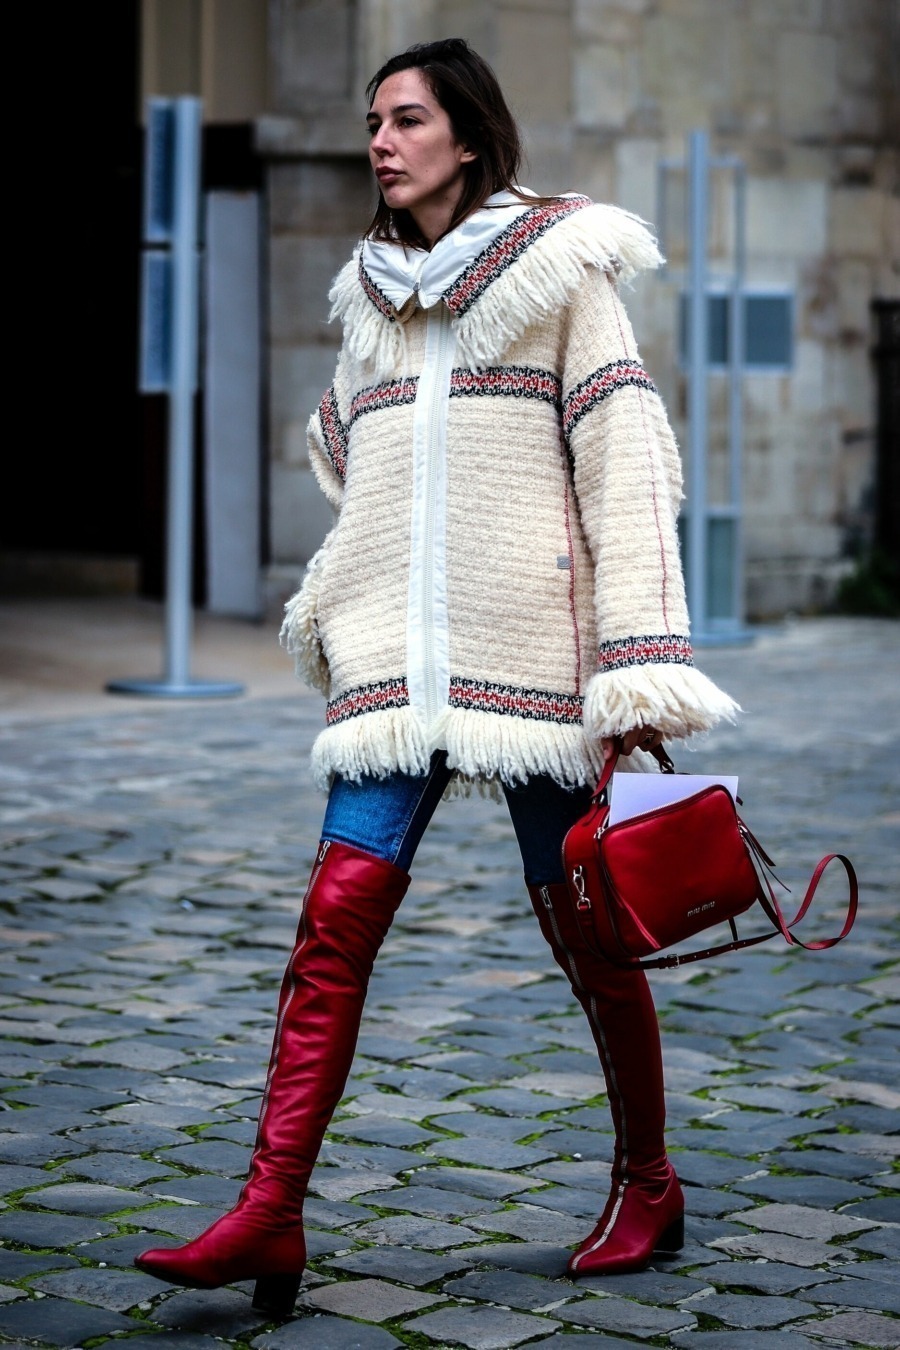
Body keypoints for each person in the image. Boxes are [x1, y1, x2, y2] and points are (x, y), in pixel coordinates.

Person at [135, 37, 738, 1316]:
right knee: (332, 925)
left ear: (469, 135)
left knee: (588, 930)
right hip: (397, 670)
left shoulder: (567, 274)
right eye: (370, 123)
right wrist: (359, 553)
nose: (381, 142)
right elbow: (353, 450)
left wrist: (634, 670)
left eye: (406, 120)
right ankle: (271, 1211)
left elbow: (627, 467)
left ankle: (649, 1179)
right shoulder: (374, 294)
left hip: (533, 664)